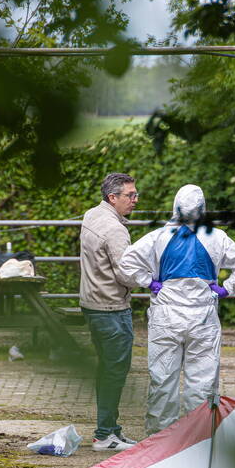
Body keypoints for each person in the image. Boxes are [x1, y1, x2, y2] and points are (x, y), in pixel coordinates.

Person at [120, 184, 235, 435]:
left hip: (166, 315)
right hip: (202, 316)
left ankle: (159, 441)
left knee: (162, 380)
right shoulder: (217, 237)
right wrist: (226, 288)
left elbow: (126, 262)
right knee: (202, 382)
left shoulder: (158, 236)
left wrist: (149, 282)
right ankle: (199, 439)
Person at [79, 173, 140, 451]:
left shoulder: (92, 215)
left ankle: (110, 429)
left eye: (135, 194)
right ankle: (105, 434)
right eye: (130, 195)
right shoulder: (115, 230)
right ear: (112, 197)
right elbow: (127, 274)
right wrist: (150, 277)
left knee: (107, 368)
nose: (135, 200)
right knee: (115, 371)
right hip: (112, 308)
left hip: (92, 304)